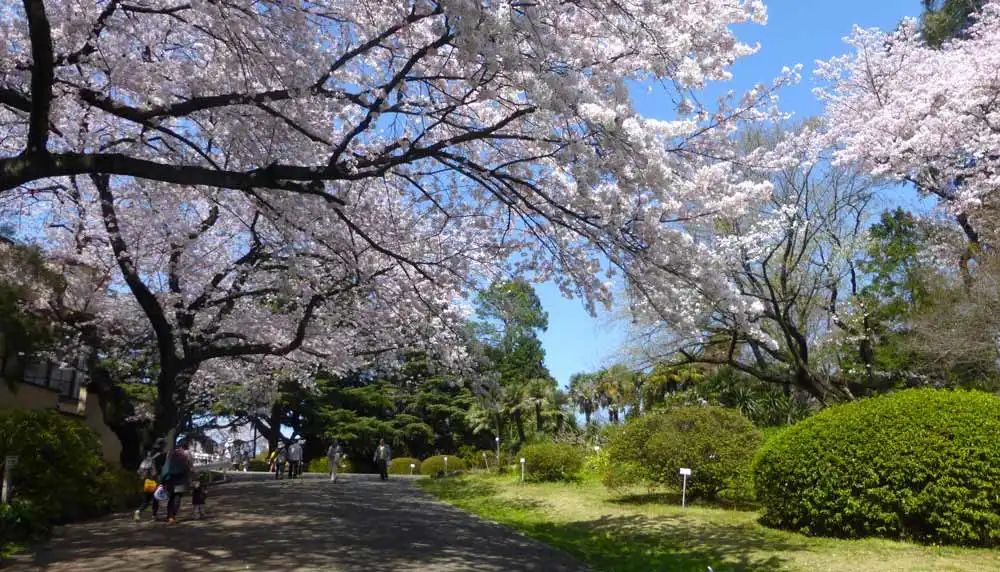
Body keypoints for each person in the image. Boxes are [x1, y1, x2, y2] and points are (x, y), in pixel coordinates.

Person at [160, 441, 193, 524]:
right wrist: (190, 478)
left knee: (171, 497)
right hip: (181, 478)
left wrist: (163, 480)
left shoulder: (170, 453)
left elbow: (165, 466)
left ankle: (169, 515)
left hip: (170, 478)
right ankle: (172, 516)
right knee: (177, 498)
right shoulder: (186, 454)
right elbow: (190, 467)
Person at [133, 439, 166, 521]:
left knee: (146, 500)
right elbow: (162, 467)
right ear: (162, 445)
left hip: (146, 478)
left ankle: (138, 511)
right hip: (154, 479)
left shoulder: (148, 453)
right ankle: (154, 515)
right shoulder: (162, 455)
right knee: (156, 497)